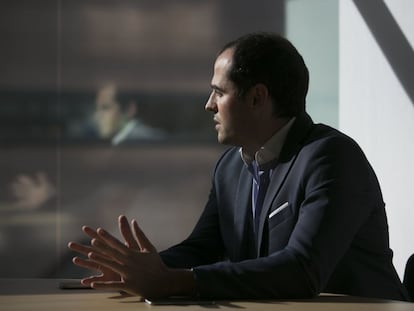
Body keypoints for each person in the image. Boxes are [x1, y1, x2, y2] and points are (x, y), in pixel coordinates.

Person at [68, 32, 408, 301]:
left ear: (258, 98)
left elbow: (303, 270)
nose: (208, 105)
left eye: (219, 92)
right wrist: (141, 270)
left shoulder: (331, 157)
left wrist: (174, 282)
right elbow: (203, 248)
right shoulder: (230, 166)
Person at [94, 83, 166, 146]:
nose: (97, 116)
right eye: (97, 109)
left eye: (105, 108)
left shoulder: (148, 141)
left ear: (129, 109)